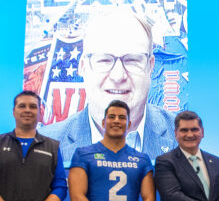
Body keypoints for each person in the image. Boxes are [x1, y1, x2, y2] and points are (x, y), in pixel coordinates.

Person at [40, 8, 178, 162]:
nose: (118, 76)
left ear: (150, 67)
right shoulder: (42, 149)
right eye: (104, 60)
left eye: (132, 60)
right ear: (83, 67)